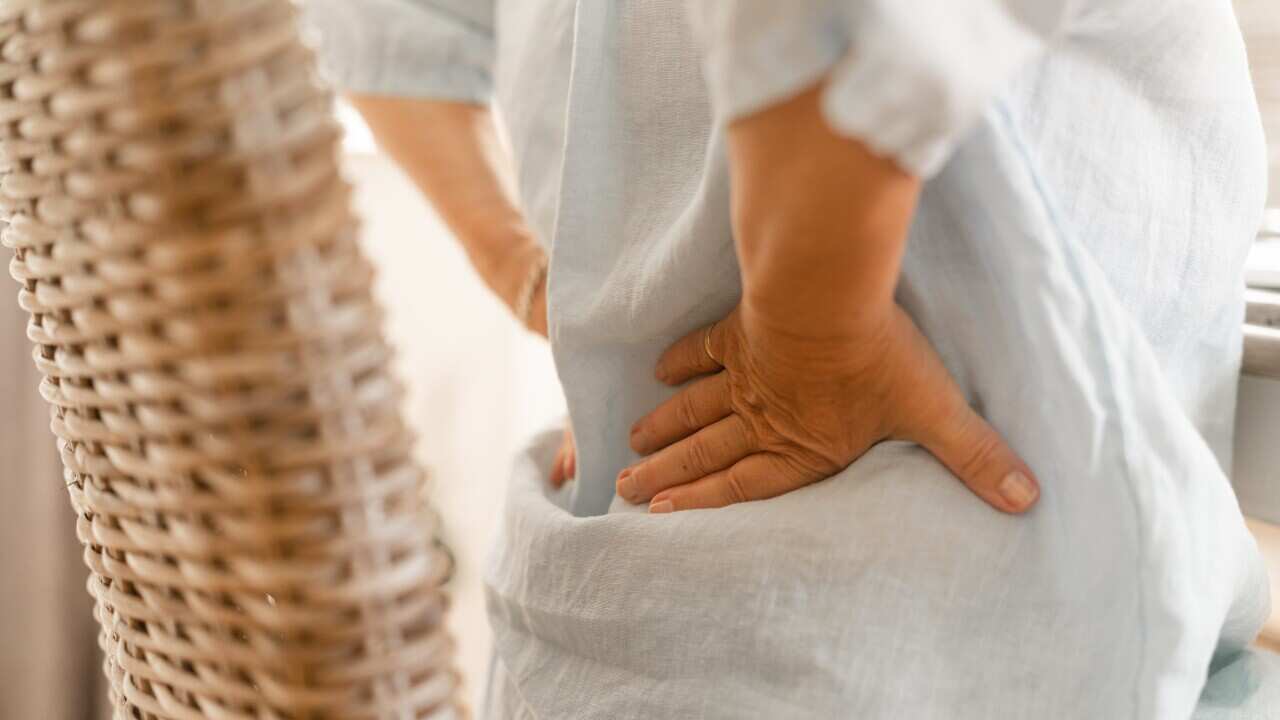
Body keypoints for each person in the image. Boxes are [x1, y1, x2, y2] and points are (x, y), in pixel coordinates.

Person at [305, 1, 1275, 717]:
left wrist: (527, 274)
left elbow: (390, 21)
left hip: (609, 643)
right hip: (966, 640)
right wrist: (818, 345)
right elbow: (837, 25)